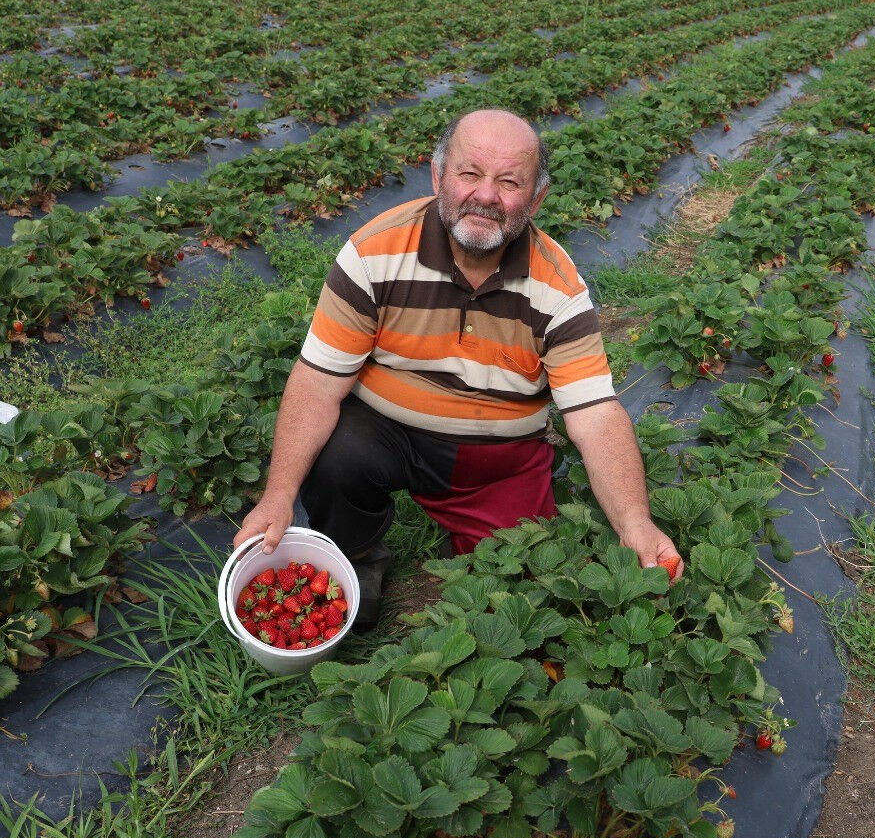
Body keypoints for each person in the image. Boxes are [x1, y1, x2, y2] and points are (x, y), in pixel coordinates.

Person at [231, 107, 681, 625]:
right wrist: (277, 497)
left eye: (509, 182)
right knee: (338, 452)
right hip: (384, 433)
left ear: (536, 200)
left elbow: (596, 414)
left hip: (494, 459)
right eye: (469, 173)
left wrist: (636, 524)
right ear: (439, 176)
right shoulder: (373, 253)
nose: (486, 196)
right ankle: (357, 559)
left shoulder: (558, 287)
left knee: (518, 599)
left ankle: (476, 540)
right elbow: (315, 382)